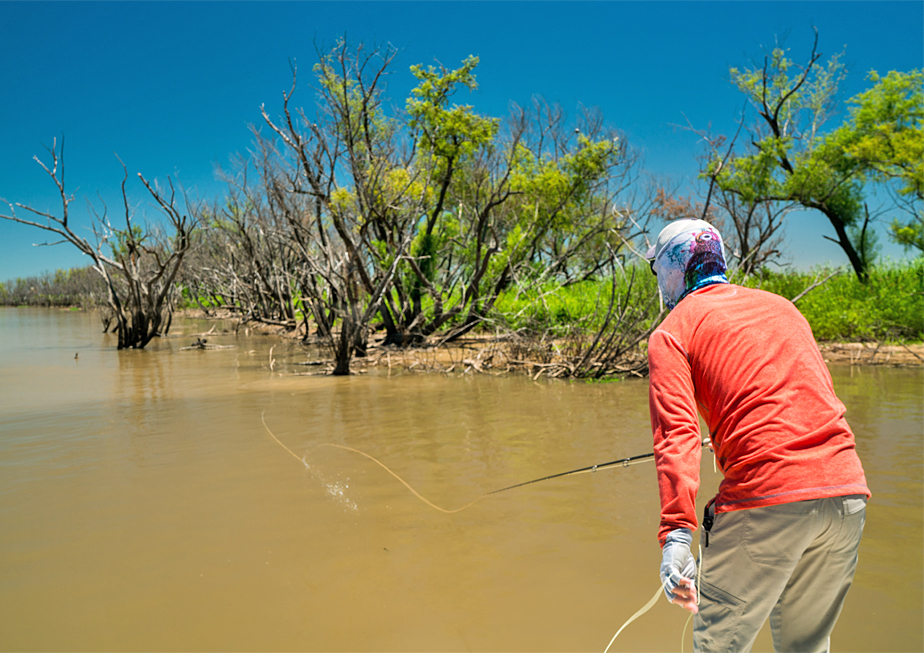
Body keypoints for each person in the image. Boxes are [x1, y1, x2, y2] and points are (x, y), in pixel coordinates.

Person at [645, 219, 870, 653]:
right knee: (807, 646)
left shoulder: (672, 332)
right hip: (847, 492)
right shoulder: (782, 307)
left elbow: (677, 436)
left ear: (673, 268)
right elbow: (805, 400)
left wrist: (676, 535)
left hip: (766, 499)